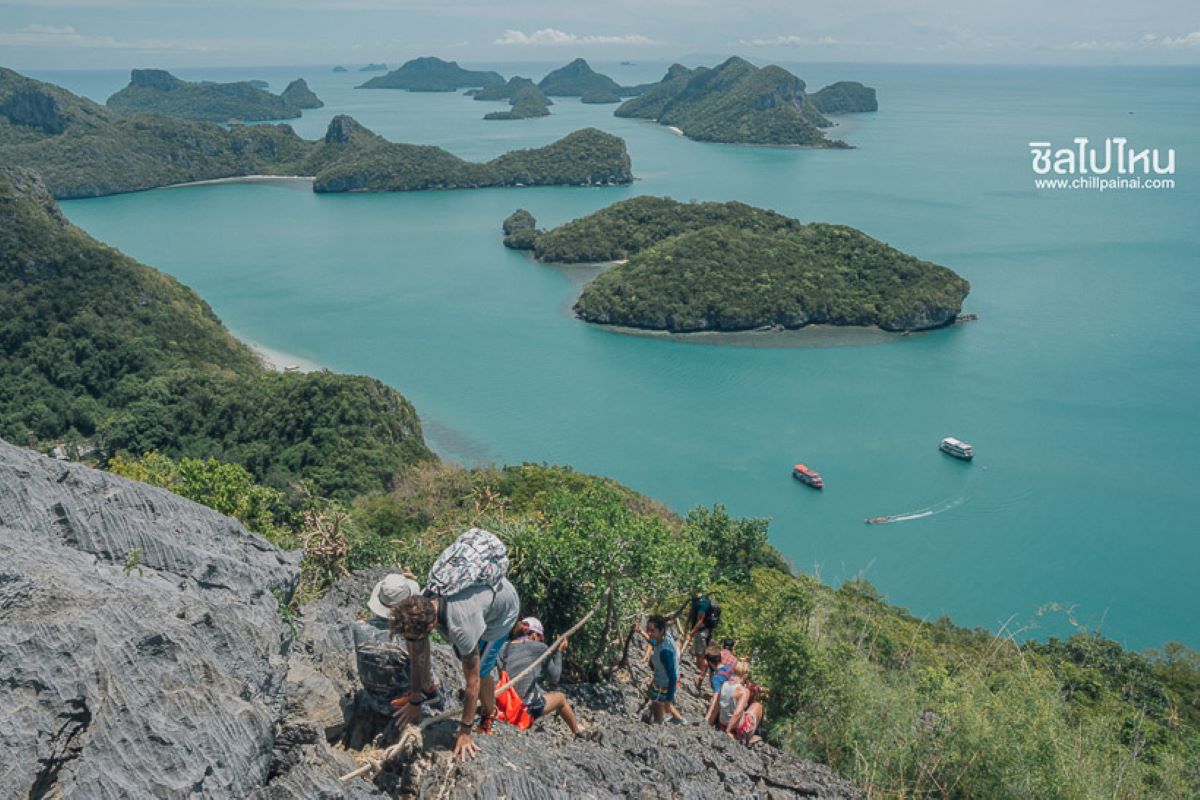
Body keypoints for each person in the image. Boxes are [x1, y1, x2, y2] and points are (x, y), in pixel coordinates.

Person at [390, 529, 520, 762]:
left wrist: (465, 731)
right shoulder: (424, 599)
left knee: (480, 670)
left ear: (431, 626)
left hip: (501, 617)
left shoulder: (461, 625)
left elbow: (472, 683)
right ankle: (451, 699)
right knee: (462, 655)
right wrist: (416, 698)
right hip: (478, 606)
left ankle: (489, 714)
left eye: (412, 637)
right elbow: (418, 655)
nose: (410, 643)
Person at [495, 617, 582, 734]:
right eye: (540, 638)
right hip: (523, 710)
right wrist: (559, 651)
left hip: (503, 704)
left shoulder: (503, 648)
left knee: (536, 689)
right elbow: (554, 678)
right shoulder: (539, 648)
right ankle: (577, 731)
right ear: (535, 635)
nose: (540, 641)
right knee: (561, 698)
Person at [634, 614, 685, 724]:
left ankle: (670, 722)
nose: (649, 633)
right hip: (661, 678)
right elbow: (654, 642)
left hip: (665, 683)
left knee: (658, 705)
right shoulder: (665, 636)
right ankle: (677, 719)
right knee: (655, 700)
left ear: (661, 630)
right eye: (648, 629)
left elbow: (672, 676)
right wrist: (641, 632)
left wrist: (669, 699)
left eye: (652, 630)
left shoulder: (664, 652)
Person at [705, 659, 763, 745]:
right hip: (737, 729)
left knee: (743, 710)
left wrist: (709, 721)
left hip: (722, 724)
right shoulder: (744, 691)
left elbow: (716, 707)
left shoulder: (724, 684)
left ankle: (738, 732)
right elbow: (737, 713)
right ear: (745, 674)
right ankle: (748, 738)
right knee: (758, 706)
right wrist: (727, 731)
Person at [684, 591, 719, 690]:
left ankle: (699, 676)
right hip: (700, 630)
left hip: (702, 631)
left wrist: (691, 633)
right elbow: (692, 611)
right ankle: (700, 675)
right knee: (700, 653)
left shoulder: (703, 603)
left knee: (700, 654)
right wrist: (687, 624)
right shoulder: (695, 599)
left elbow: (700, 620)